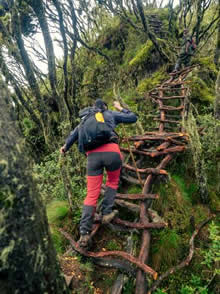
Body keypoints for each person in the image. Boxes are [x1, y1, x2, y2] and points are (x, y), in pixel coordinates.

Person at [60, 99, 137, 248]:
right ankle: (107, 212)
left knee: (92, 193)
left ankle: (84, 233)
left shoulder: (85, 119)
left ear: (93, 108)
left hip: (92, 157)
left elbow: (72, 136)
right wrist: (121, 108)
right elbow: (133, 118)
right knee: (113, 181)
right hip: (112, 152)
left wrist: (64, 148)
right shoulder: (109, 114)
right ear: (105, 107)